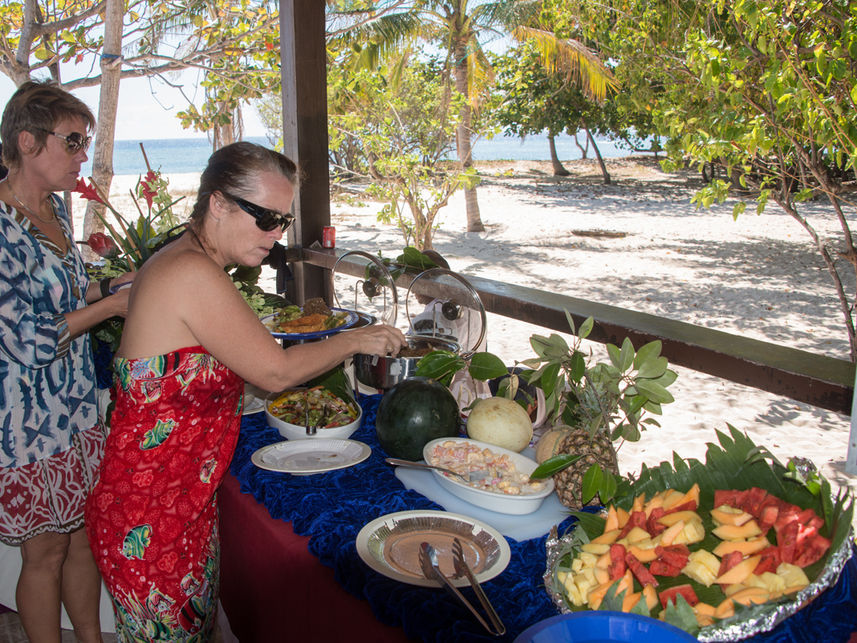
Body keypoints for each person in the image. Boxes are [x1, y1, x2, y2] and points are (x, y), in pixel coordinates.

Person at [84, 141, 406, 641]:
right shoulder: (190, 271)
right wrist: (356, 338)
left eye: (284, 222)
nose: (276, 237)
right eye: (265, 219)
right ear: (218, 204)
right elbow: (274, 374)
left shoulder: (191, 261)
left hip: (177, 506)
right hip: (149, 519)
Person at [0, 80, 134, 642]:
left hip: (77, 409)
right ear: (27, 142)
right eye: (73, 141)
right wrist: (112, 307)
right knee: (46, 552)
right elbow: (28, 339)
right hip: (28, 422)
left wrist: (113, 282)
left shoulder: (53, 208)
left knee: (82, 536)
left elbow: (67, 294)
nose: (83, 155)